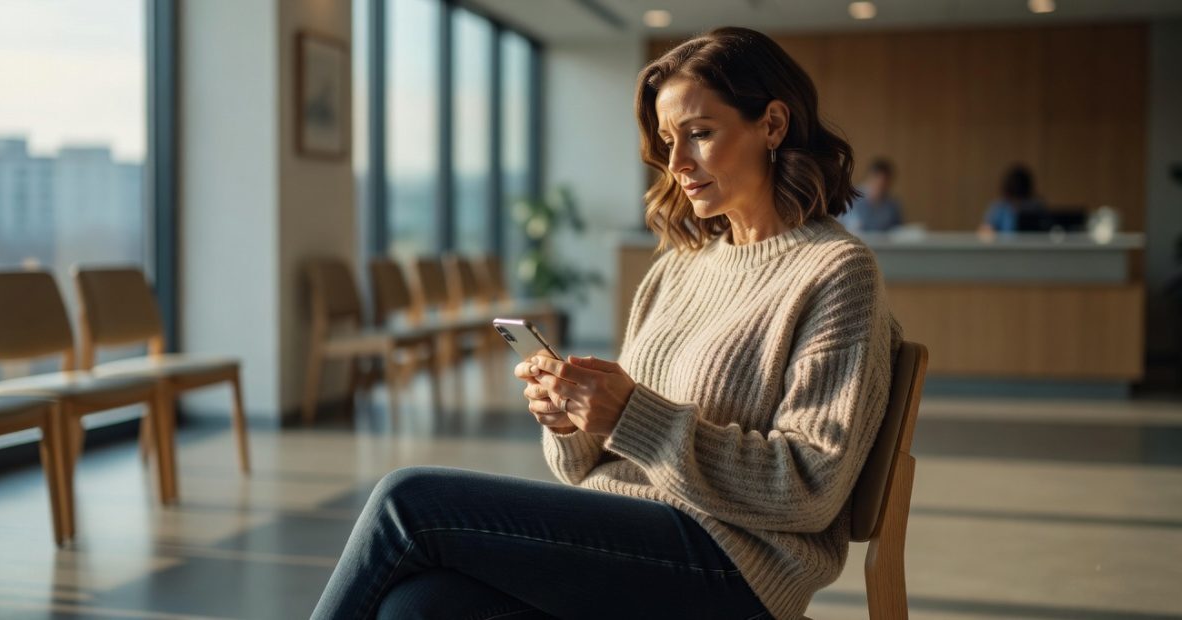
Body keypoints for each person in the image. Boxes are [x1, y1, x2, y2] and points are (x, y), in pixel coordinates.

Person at [312, 26, 901, 620]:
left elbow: (810, 487)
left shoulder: (836, 271)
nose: (677, 163)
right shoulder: (679, 267)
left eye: (700, 133)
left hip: (733, 567)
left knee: (408, 502)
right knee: (416, 607)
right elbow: (590, 464)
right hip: (631, 534)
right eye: (668, 141)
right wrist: (573, 421)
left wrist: (630, 415)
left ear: (772, 125)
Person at [839, 157, 904, 232]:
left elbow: (898, 230)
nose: (881, 186)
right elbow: (849, 226)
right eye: (878, 182)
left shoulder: (892, 204)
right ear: (870, 178)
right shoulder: (852, 198)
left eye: (885, 183)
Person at [980, 164, 1046, 234]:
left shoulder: (1036, 206)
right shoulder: (999, 208)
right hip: (1004, 241)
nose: (1017, 203)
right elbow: (985, 231)